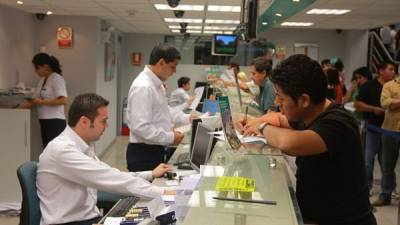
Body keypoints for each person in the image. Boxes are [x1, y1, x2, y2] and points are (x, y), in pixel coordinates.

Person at [241, 55, 376, 225]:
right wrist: (256, 121)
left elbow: (290, 143)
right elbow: (280, 119)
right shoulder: (311, 113)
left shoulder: (338, 123)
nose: (277, 102)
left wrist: (261, 128)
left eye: (281, 97)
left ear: (304, 100)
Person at [37, 93, 174, 225]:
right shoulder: (62, 151)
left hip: (88, 219)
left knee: (153, 215)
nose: (106, 126)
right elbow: (113, 179)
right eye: (103, 121)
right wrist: (166, 193)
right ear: (84, 121)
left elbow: (110, 173)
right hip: (70, 223)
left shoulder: (84, 146)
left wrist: (150, 174)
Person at [126, 44, 190, 172]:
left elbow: (164, 110)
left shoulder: (156, 85)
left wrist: (187, 118)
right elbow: (140, 127)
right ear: (161, 62)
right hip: (144, 153)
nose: (175, 71)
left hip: (155, 149)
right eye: (173, 66)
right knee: (147, 191)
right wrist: (170, 137)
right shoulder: (144, 87)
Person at [355, 61, 395, 192]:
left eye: (394, 70)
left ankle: (388, 189)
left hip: (390, 131)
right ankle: (367, 187)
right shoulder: (368, 86)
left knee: (387, 163)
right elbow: (358, 104)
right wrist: (373, 109)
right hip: (373, 128)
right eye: (390, 69)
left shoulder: (394, 87)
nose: (393, 72)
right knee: (368, 160)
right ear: (381, 71)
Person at [20, 53, 68, 148]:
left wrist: (42, 102)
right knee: (47, 149)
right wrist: (15, 108)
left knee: (55, 151)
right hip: (44, 121)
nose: (35, 71)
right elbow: (35, 100)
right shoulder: (42, 80)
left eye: (37, 68)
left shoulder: (57, 78)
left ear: (45, 66)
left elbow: (63, 100)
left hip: (55, 122)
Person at [373, 74, 400, 206]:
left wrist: (395, 102)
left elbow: (392, 104)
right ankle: (385, 195)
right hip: (390, 131)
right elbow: (385, 104)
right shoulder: (389, 85)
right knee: (387, 166)